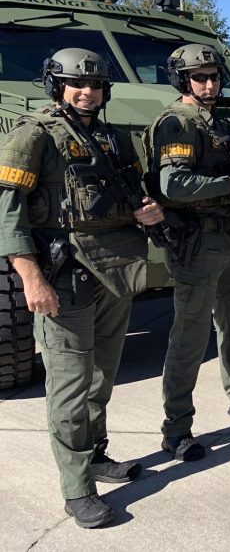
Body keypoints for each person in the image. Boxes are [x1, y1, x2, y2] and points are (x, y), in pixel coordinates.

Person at [0, 48, 164, 527]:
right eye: (76, 84)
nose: (87, 91)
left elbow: (135, 192)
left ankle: (94, 454)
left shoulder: (112, 138)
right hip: (63, 274)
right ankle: (77, 488)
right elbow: (8, 212)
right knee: (70, 388)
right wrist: (31, 278)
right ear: (57, 86)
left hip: (116, 269)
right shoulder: (33, 135)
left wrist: (148, 210)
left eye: (95, 85)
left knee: (101, 376)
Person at [147, 43, 230, 463]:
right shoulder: (177, 122)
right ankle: (176, 429)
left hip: (226, 238)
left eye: (213, 76)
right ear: (182, 80)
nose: (209, 84)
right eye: (199, 77)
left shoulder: (214, 120)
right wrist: (229, 186)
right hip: (195, 243)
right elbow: (174, 186)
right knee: (189, 337)